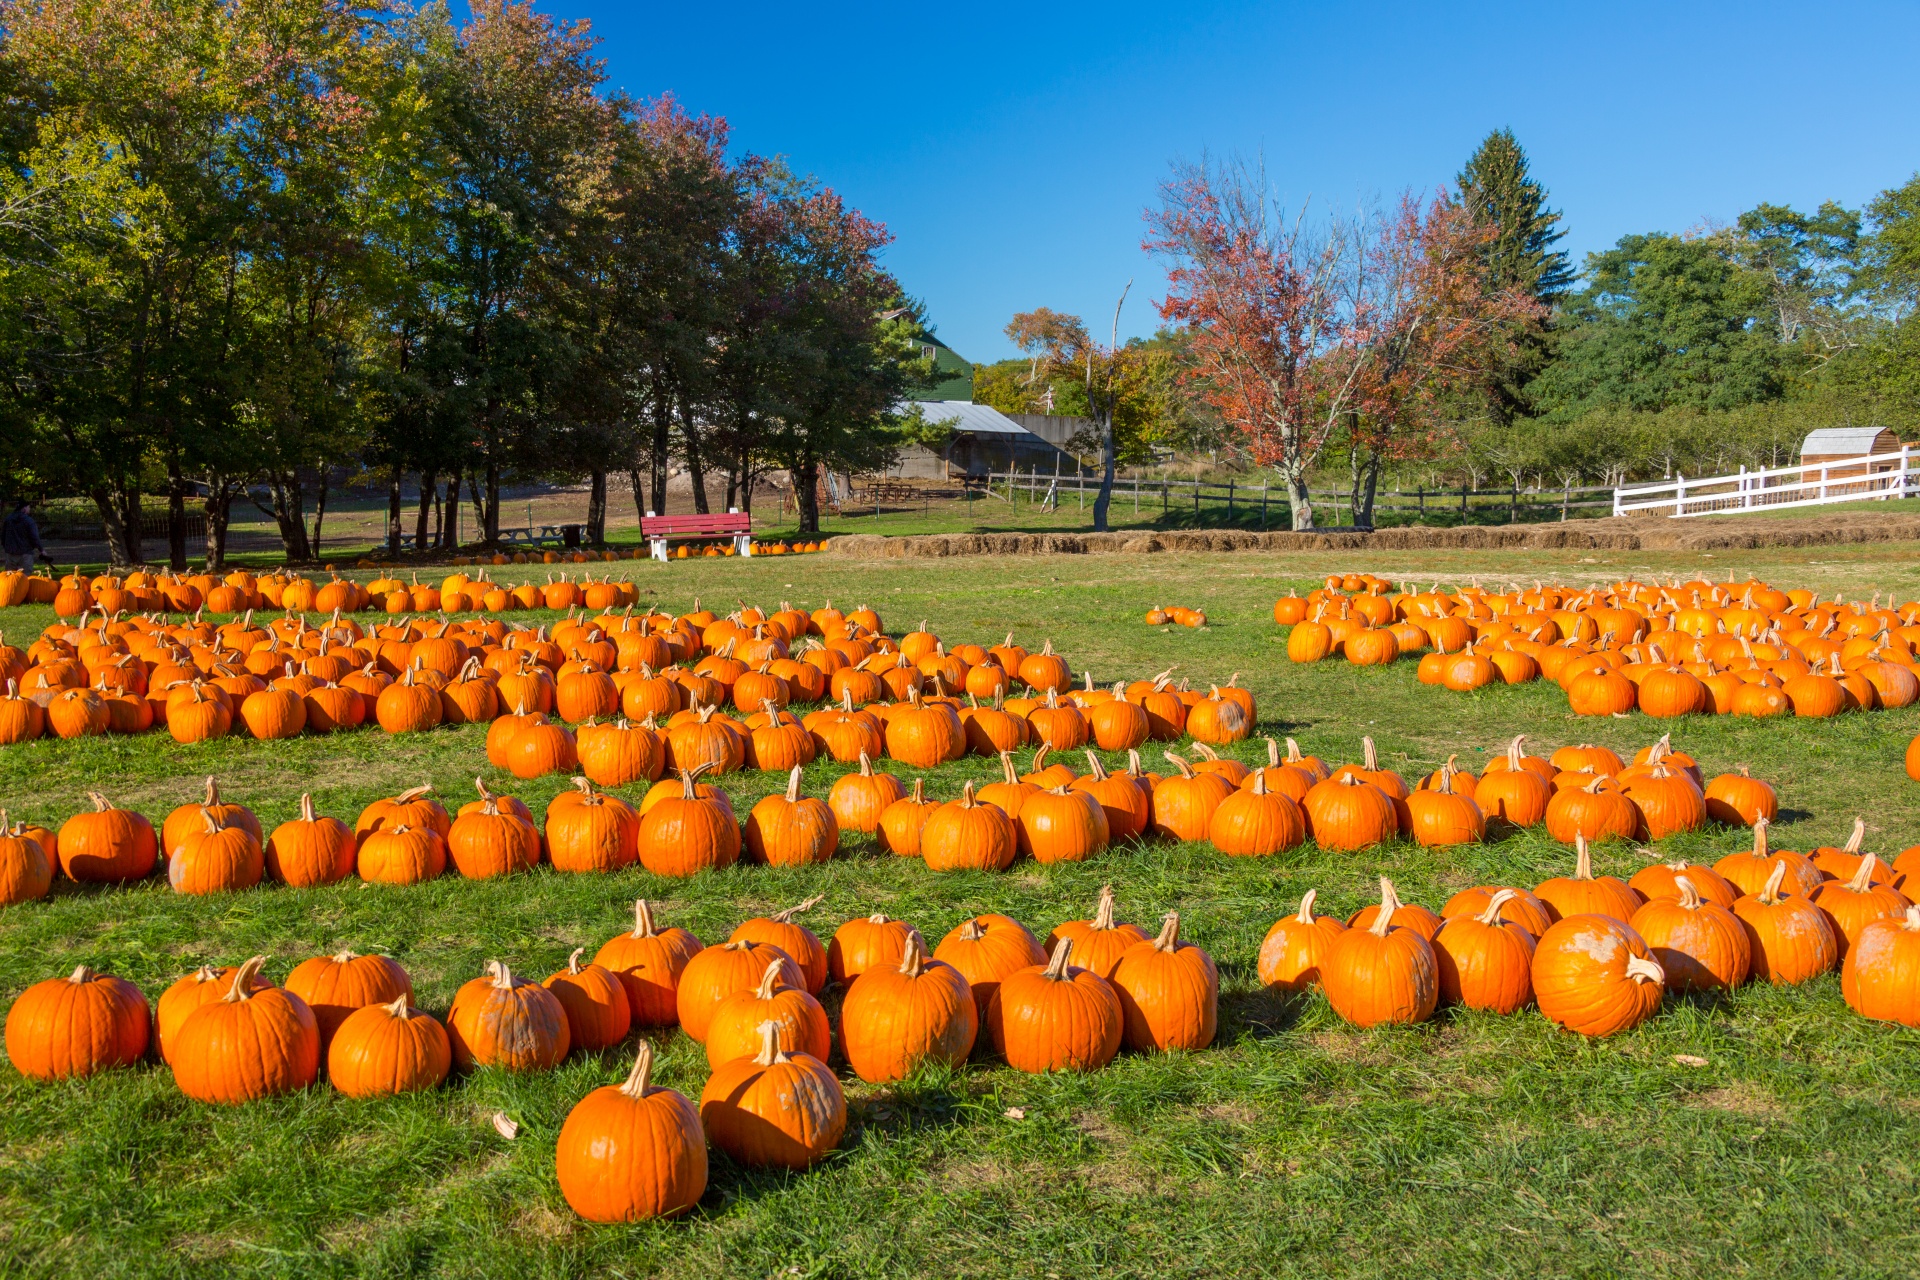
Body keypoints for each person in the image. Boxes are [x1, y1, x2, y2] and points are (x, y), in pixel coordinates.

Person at [1, 500, 45, 570]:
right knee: (25, 577)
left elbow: (3, 535)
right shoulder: (29, 521)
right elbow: (34, 537)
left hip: (11, 553)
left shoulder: (8, 519)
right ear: (24, 508)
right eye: (29, 507)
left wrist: (6, 547)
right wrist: (41, 550)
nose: (29, 509)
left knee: (10, 575)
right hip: (26, 553)